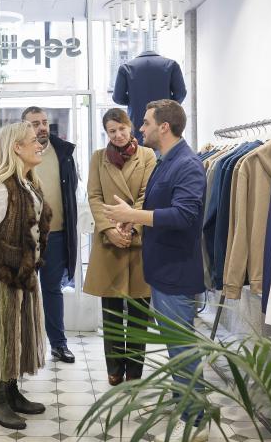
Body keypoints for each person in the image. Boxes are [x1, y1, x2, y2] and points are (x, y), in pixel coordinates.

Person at [102, 99, 209, 442]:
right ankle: (185, 405)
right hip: (162, 272)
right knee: (177, 349)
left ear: (165, 126)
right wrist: (132, 224)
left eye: (146, 123)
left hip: (177, 275)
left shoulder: (188, 165)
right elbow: (156, 207)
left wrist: (134, 217)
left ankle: (195, 423)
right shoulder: (166, 162)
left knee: (182, 351)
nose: (141, 128)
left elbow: (184, 216)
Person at [0, 122, 51, 430]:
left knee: (18, 334)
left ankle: (12, 392)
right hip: (3, 276)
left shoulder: (28, 184)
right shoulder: (2, 187)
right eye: (33, 141)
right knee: (0, 335)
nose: (39, 144)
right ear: (17, 147)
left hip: (24, 274)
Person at [83, 108, 157, 386]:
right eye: (111, 131)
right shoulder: (98, 158)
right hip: (109, 241)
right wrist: (109, 229)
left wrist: (130, 224)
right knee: (112, 310)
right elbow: (94, 195)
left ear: (131, 126)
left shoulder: (148, 156)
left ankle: (135, 370)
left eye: (121, 128)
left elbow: (147, 194)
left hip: (137, 238)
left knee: (139, 311)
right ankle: (114, 368)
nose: (117, 135)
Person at [21, 106, 79, 363]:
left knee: (53, 290)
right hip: (25, 236)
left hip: (56, 234)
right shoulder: (18, 154)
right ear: (24, 127)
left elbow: (71, 189)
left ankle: (58, 344)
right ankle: (24, 344)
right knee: (23, 290)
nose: (42, 127)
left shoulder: (63, 152)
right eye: (35, 123)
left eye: (44, 122)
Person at [112, 51, 187, 145]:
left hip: (137, 126)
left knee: (139, 157)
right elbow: (181, 93)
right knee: (167, 156)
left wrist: (133, 101)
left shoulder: (126, 68)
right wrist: (167, 107)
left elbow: (117, 97)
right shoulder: (171, 65)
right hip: (164, 124)